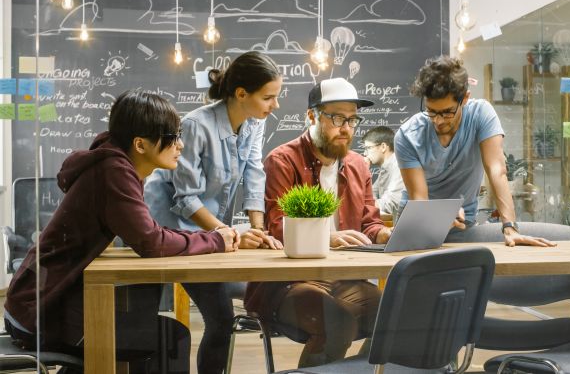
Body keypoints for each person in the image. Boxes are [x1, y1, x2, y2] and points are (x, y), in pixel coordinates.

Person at [4, 90, 240, 374]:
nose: (180, 145)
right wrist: (215, 239)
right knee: (171, 337)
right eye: (172, 137)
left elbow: (146, 233)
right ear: (140, 144)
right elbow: (151, 242)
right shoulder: (114, 171)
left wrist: (209, 238)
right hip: (42, 314)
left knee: (153, 326)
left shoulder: (113, 164)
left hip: (35, 305)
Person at [144, 51, 283, 374]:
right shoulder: (195, 125)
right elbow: (186, 198)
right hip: (172, 229)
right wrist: (228, 233)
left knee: (234, 308)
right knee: (219, 319)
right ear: (241, 94)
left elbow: (252, 172)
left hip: (209, 232)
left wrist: (257, 228)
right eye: (268, 98)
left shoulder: (252, 123)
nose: (275, 106)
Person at [245, 77, 389, 369]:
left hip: (344, 279)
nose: (346, 128)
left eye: (352, 119)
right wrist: (326, 239)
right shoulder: (283, 160)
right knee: (338, 324)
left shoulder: (359, 165)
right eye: (337, 118)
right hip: (288, 284)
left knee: (398, 315)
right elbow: (277, 229)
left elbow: (369, 224)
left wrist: (386, 233)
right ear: (311, 116)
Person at [395, 55, 556, 247]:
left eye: (447, 112)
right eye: (431, 111)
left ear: (465, 99)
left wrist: (510, 227)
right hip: (418, 226)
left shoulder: (480, 115)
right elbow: (419, 199)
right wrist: (440, 217)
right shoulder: (407, 136)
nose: (437, 121)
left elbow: (496, 170)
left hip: (464, 226)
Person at [361, 126, 405, 217]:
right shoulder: (385, 167)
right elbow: (370, 194)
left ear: (383, 147)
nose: (365, 154)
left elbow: (389, 204)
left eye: (368, 148)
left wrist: (362, 205)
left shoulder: (399, 165)